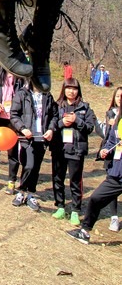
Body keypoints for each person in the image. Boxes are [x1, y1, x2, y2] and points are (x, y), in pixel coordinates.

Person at [67, 104, 122, 244]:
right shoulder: (118, 121)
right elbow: (111, 141)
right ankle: (85, 231)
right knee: (95, 198)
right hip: (117, 174)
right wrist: (106, 150)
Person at [50, 78, 95, 226]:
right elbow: (51, 124)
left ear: (78, 91)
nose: (71, 91)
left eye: (74, 88)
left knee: (75, 181)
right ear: (64, 89)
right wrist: (62, 123)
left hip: (76, 150)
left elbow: (89, 127)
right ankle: (60, 206)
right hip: (59, 148)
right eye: (68, 88)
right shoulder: (57, 106)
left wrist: (77, 120)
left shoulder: (85, 107)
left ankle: (75, 210)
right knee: (58, 178)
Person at [10, 80, 58, 212]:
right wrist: (23, 128)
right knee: (29, 165)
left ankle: (30, 194)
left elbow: (54, 115)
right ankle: (21, 192)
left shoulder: (48, 96)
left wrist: (51, 129)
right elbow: (14, 114)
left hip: (42, 138)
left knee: (36, 167)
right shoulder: (22, 94)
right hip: (27, 138)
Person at [0, 66, 24, 194]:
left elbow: (24, 97)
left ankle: (11, 181)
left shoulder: (20, 80)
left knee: (13, 150)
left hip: (13, 119)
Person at [94, 86, 122, 231]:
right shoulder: (110, 112)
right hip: (113, 154)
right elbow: (106, 135)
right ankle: (114, 217)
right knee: (111, 185)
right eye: (117, 96)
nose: (119, 99)